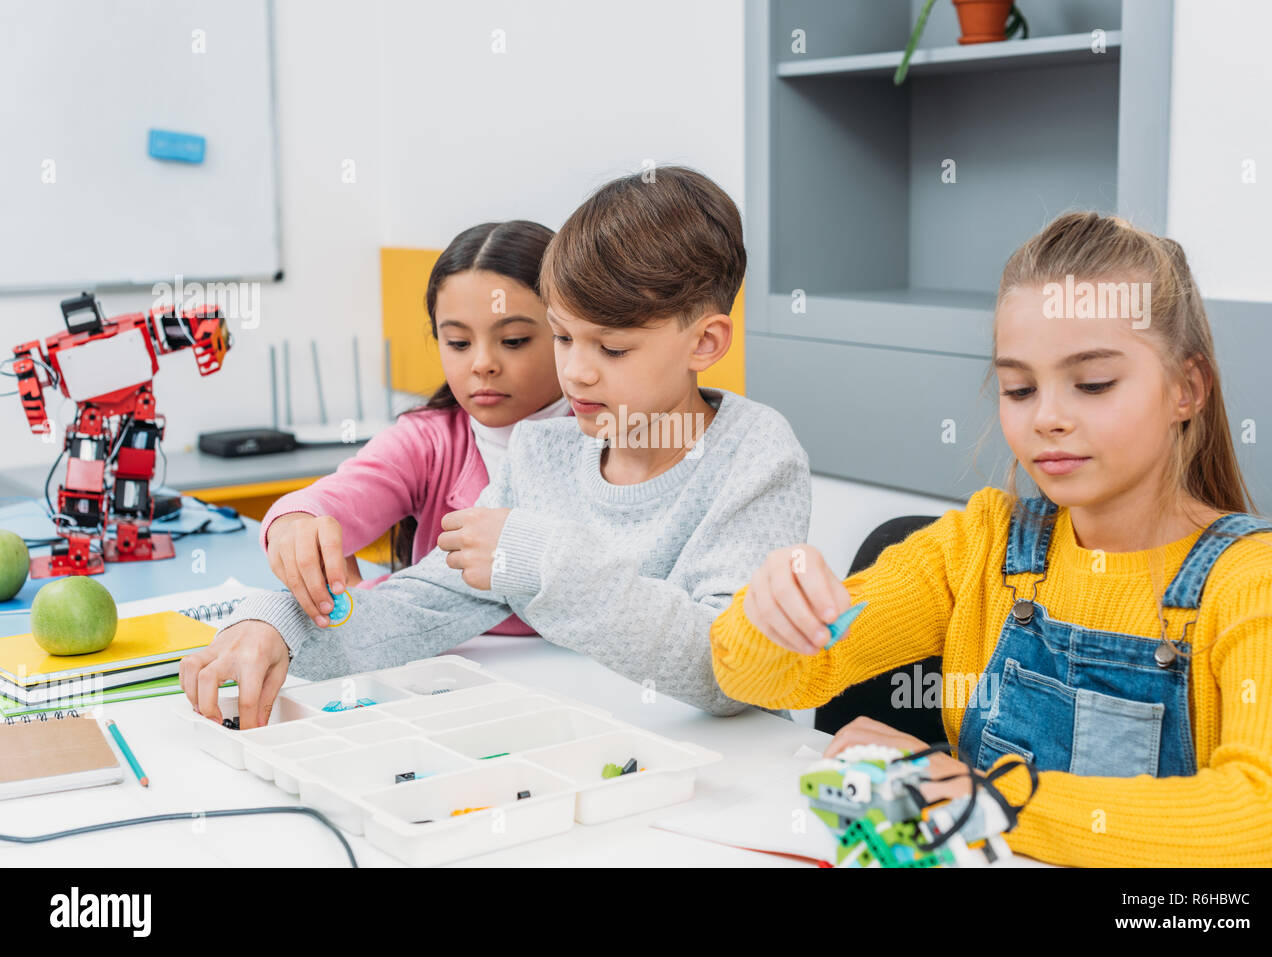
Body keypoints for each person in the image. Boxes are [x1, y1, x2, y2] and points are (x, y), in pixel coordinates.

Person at [711, 211, 1272, 866]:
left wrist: (989, 798)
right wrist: (768, 610)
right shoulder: (981, 544)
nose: (1046, 417)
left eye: (1094, 383)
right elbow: (759, 674)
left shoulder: (1260, 581)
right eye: (1019, 388)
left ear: (1186, 389)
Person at [181, 166, 811, 726]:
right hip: (594, 753)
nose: (578, 373)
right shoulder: (543, 452)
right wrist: (277, 624)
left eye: (612, 348)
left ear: (704, 343)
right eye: (563, 338)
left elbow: (731, 672)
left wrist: (544, 560)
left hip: (724, 781)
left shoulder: (754, 455)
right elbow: (425, 601)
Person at [259, 220, 568, 638]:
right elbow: (335, 498)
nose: (482, 364)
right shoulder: (429, 440)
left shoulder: (611, 439)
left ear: (566, 333)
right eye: (458, 343)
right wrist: (296, 525)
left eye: (513, 340)